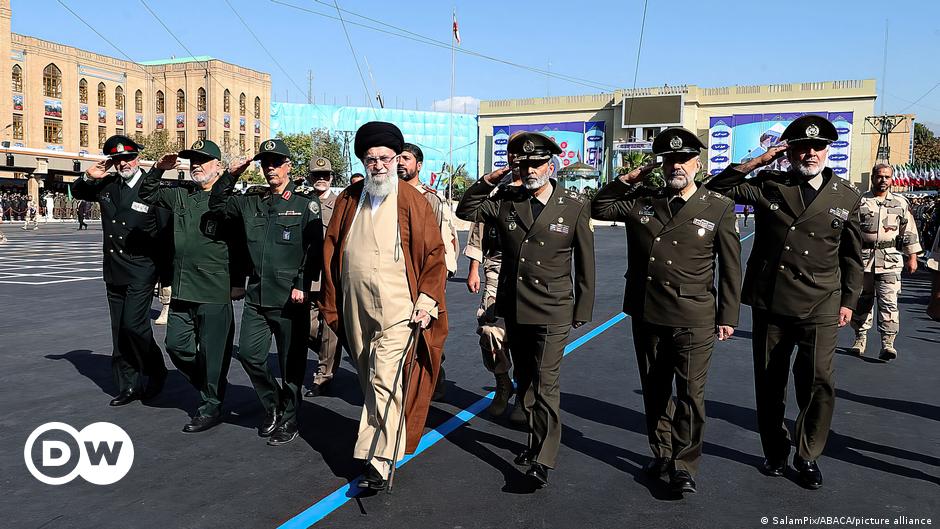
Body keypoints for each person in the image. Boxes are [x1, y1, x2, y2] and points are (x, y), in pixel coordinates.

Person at [705, 115, 863, 490]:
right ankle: (775, 449)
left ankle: (808, 454)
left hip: (822, 302)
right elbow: (716, 188)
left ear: (828, 150)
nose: (810, 153)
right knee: (770, 380)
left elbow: (852, 256)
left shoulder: (846, 195)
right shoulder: (769, 184)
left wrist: (850, 301)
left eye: (818, 147)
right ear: (788, 151)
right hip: (772, 300)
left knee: (818, 382)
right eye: (801, 147)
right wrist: (758, 160)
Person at [592, 127, 741, 495]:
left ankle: (684, 465)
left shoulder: (717, 206)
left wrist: (728, 315)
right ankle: (661, 452)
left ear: (697, 163)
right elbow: (600, 206)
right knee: (655, 388)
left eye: (683, 159)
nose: (676, 165)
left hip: (695, 314)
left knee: (691, 393)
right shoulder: (643, 200)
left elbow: (731, 266)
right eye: (669, 160)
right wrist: (633, 175)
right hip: (648, 310)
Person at [456, 131, 595, 487]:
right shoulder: (505, 200)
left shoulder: (573, 204)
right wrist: (489, 180)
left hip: (553, 307)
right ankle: (534, 445)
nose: (530, 169)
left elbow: (585, 263)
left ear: (551, 165)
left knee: (547, 383)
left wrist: (583, 308)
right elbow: (466, 209)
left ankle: (543, 460)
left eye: (536, 163)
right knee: (528, 381)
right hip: (515, 307)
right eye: (524, 163)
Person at [319, 121, 448, 491]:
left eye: (385, 158)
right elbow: (332, 248)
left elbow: (434, 254)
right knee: (368, 376)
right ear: (363, 161)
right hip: (355, 306)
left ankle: (378, 459)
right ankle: (388, 437)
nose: (378, 165)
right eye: (371, 159)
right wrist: (332, 299)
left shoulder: (412, 200)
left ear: (396, 159)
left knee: (384, 377)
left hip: (398, 307)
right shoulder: (349, 198)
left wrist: (426, 301)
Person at [210, 138, 322, 446]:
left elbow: (314, 249)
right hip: (258, 296)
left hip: (290, 298)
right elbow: (217, 203)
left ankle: (289, 419)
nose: (270, 168)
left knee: (291, 365)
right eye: (265, 163)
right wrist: (231, 174)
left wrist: (302, 285)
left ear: (288, 166)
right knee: (249, 355)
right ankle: (273, 404)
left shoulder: (304, 204)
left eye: (276, 163)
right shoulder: (251, 201)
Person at [138, 140, 243, 432]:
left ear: (218, 167)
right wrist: (158, 169)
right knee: (176, 345)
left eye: (203, 160)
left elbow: (240, 245)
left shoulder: (231, 200)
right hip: (184, 287)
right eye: (193, 160)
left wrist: (237, 283)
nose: (196, 165)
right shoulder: (182, 196)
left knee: (214, 351)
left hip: (214, 288)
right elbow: (147, 193)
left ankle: (211, 404)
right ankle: (210, 385)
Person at [70, 135, 170, 406]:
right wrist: (90, 176)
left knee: (134, 326)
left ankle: (156, 370)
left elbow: (164, 234)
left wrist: (166, 275)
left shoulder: (153, 187)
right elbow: (79, 192)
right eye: (117, 159)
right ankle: (129, 385)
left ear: (138, 158)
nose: (123, 163)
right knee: (119, 331)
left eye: (127, 157)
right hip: (114, 268)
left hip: (141, 268)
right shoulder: (108, 185)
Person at [398, 142, 459, 400]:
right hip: (398, 278)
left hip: (425, 277)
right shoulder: (387, 195)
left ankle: (434, 373)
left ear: (418, 165)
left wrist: (436, 283)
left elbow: (443, 243)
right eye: (398, 158)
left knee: (426, 332)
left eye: (407, 159)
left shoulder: (430, 198)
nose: (401, 163)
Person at [848, 164, 921, 360]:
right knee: (862, 300)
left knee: (889, 302)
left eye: (887, 177)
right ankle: (859, 338)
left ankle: (888, 344)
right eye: (880, 176)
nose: (883, 180)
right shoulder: (860, 201)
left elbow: (909, 231)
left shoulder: (900, 202)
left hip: (890, 259)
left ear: (892, 179)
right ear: (873, 178)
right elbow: (849, 231)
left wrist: (912, 257)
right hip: (862, 260)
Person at [303, 156, 342, 398]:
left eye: (325, 175)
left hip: (330, 274)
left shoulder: (340, 205)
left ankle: (323, 375)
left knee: (329, 325)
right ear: (309, 178)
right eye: (316, 175)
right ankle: (330, 351)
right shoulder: (301, 203)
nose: (321, 179)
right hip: (306, 273)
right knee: (307, 326)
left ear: (331, 178)